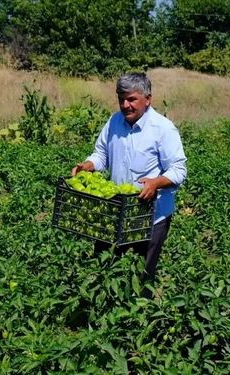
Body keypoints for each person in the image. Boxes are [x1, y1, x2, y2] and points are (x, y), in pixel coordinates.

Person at [71, 72, 187, 295]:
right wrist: (88, 165)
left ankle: (139, 320)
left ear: (148, 99)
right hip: (116, 211)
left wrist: (156, 183)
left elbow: (179, 170)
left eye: (132, 99)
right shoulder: (114, 121)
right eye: (121, 99)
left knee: (142, 274)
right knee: (108, 267)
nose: (125, 105)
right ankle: (107, 314)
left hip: (151, 215)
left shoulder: (163, 129)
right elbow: (101, 154)